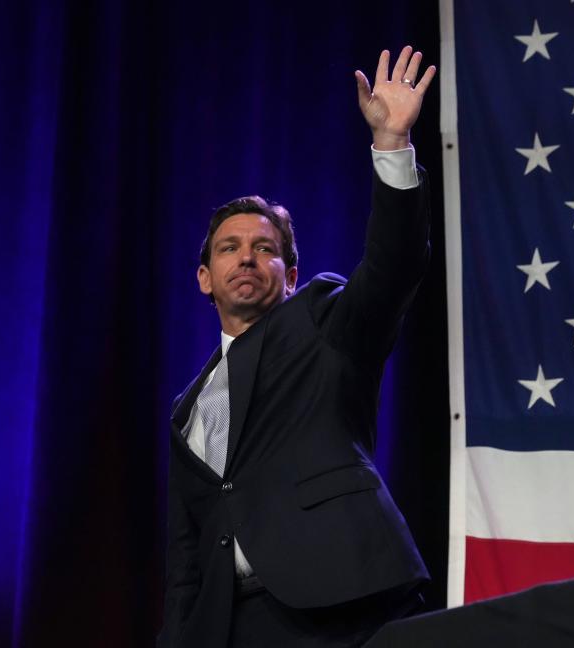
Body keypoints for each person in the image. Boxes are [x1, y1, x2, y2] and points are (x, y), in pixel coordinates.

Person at [158, 46, 437, 648]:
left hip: (346, 598)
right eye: (228, 248)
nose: (247, 258)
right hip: (236, 629)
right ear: (204, 277)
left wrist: (392, 143)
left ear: (290, 272)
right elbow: (186, 559)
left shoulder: (322, 321)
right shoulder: (186, 411)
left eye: (264, 247)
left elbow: (394, 268)